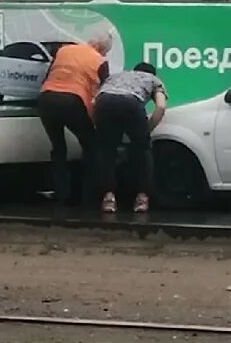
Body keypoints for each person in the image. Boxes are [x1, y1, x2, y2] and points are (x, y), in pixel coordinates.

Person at [37, 30, 113, 205]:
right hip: (72, 101)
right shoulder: (100, 61)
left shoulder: (64, 50)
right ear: (102, 48)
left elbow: (49, 74)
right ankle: (89, 194)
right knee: (91, 146)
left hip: (46, 99)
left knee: (58, 147)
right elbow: (105, 91)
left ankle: (61, 193)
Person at [93, 60, 168, 214]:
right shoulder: (153, 80)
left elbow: (94, 102)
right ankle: (142, 198)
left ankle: (108, 198)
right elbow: (160, 107)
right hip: (131, 104)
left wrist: (99, 126)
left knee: (107, 152)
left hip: (104, 102)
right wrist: (145, 131)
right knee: (142, 152)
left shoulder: (115, 77)